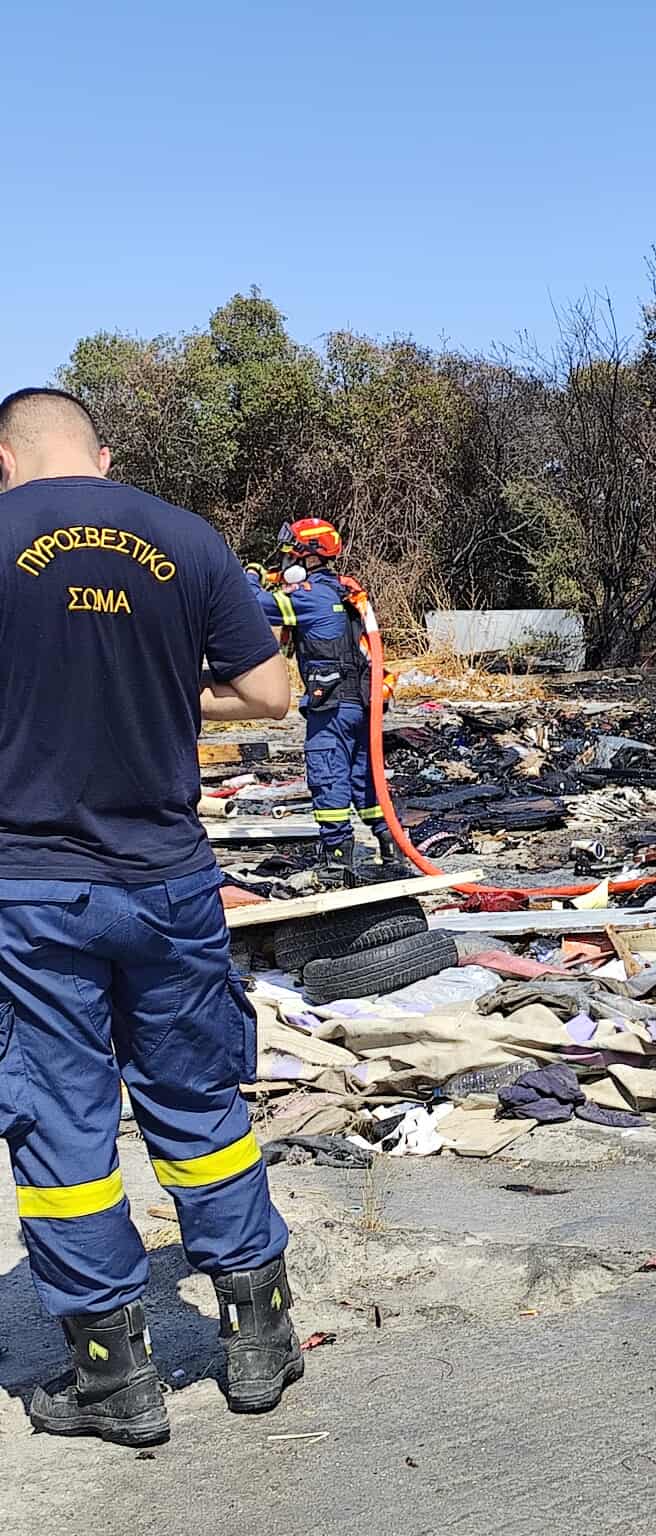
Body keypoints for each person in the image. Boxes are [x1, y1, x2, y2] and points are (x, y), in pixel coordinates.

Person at [0, 387, 305, 1447]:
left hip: (33, 891)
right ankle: (259, 1337)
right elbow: (270, 695)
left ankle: (114, 1378)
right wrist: (171, 687)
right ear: (102, 455)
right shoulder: (187, 539)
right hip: (170, 883)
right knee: (194, 1098)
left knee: (61, 1121)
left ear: (4, 459)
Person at [254, 519, 398, 880]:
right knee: (363, 776)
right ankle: (389, 847)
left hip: (331, 704)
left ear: (310, 556)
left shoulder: (310, 595)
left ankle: (337, 858)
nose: (286, 560)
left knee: (327, 773)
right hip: (360, 702)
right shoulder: (341, 590)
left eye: (291, 554)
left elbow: (256, 605)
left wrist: (250, 576)